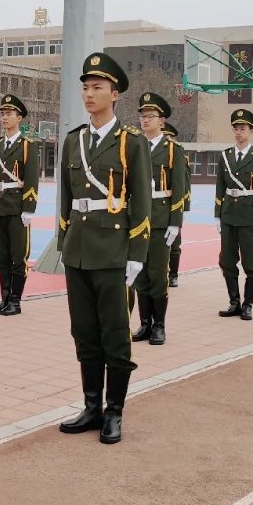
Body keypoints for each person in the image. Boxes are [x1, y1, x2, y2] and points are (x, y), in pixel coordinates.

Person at [57, 52, 152, 444]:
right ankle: (91, 406)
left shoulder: (131, 143)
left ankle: (115, 410)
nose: (89, 93)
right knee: (84, 332)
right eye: (85, 87)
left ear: (115, 94)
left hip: (114, 251)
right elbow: (66, 199)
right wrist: (64, 243)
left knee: (115, 333)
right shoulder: (73, 140)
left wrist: (136, 255)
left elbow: (142, 203)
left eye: (97, 87)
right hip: (79, 249)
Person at [132, 92, 187, 345]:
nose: (145, 120)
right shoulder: (133, 145)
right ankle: (144, 323)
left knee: (157, 275)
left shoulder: (173, 149)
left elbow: (178, 187)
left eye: (150, 116)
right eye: (142, 116)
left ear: (162, 121)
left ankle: (159, 325)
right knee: (139, 274)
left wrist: (175, 222)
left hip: (160, 218)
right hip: (136, 219)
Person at [214, 109, 253, 321]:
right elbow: (220, 186)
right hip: (229, 214)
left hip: (249, 217)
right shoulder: (225, 156)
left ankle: (248, 304)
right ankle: (234, 302)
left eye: (243, 128)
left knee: (251, 263)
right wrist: (217, 215)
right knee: (227, 260)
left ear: (251, 130)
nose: (238, 132)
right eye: (236, 128)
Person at [0, 94, 40, 317]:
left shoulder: (27, 146)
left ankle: (15, 301)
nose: (4, 118)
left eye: (9, 114)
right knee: (2, 256)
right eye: (3, 114)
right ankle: (5, 298)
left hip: (18, 207)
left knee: (19, 255)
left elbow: (32, 178)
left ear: (19, 118)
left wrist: (29, 208)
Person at [163, 122, 190, 287]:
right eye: (165, 136)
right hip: (156, 204)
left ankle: (173, 274)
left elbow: (184, 184)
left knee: (174, 243)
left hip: (173, 205)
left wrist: (183, 207)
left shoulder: (179, 156)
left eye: (169, 137)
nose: (167, 140)